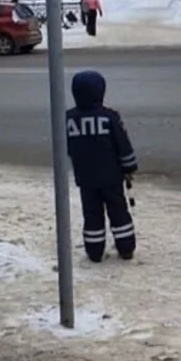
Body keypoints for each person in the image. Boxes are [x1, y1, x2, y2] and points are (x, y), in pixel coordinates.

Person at [66, 70, 139, 262]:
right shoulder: (109, 117)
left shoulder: (68, 119)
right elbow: (122, 145)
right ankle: (126, 248)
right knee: (118, 211)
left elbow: (66, 147)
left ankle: (94, 251)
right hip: (111, 177)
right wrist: (129, 167)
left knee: (91, 215)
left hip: (85, 178)